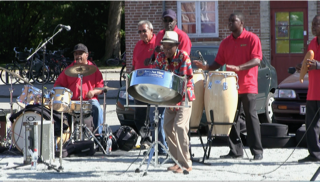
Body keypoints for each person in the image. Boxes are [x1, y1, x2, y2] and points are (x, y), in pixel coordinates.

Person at [193, 12, 263, 160]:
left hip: (248, 84)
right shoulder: (225, 42)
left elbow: (257, 60)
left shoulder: (252, 38)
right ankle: (236, 151)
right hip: (230, 87)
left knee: (251, 117)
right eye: (229, 21)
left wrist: (239, 68)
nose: (230, 23)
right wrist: (206, 68)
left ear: (241, 22)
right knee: (229, 118)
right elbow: (218, 62)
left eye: (233, 20)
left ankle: (257, 152)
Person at [147, 31, 194, 173]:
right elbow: (157, 75)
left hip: (183, 97)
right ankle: (176, 161)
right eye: (164, 47)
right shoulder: (160, 57)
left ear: (176, 46)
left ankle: (186, 164)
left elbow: (181, 82)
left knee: (180, 127)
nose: (166, 50)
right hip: (169, 98)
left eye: (169, 48)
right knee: (167, 127)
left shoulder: (183, 57)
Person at [132, 20, 168, 153]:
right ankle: (145, 139)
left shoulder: (158, 44)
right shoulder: (137, 45)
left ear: (151, 31)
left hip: (155, 85)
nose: (142, 34)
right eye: (139, 31)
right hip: (140, 85)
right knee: (140, 114)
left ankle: (157, 141)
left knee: (154, 115)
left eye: (144, 31)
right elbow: (134, 64)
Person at [54, 43, 104, 135]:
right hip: (72, 102)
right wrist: (64, 93)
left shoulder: (94, 69)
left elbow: (101, 88)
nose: (78, 56)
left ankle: (98, 135)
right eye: (76, 54)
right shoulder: (68, 70)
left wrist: (93, 92)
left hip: (89, 101)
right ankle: (63, 136)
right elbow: (57, 85)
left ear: (87, 55)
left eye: (80, 53)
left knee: (97, 108)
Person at [297, 15, 320, 163]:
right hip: (313, 91)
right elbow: (307, 61)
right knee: (311, 125)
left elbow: (315, 64)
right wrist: (301, 66)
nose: (312, 27)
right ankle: (315, 154)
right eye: (312, 24)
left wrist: (317, 65)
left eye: (316, 24)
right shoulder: (312, 42)